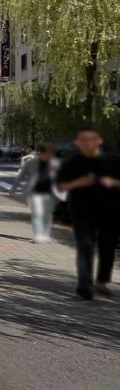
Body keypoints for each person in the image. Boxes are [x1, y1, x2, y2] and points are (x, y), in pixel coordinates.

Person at [54, 125, 119, 299]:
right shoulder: (71, 162)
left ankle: (102, 281)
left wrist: (113, 182)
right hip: (82, 211)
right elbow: (60, 186)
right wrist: (78, 183)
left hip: (110, 211)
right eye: (83, 140)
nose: (88, 143)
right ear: (77, 143)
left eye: (91, 139)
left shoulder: (113, 161)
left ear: (99, 140)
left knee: (107, 246)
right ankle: (85, 284)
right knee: (85, 245)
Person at [10, 144, 58, 243]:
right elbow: (21, 176)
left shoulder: (54, 163)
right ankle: (38, 235)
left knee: (47, 215)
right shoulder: (30, 163)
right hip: (34, 192)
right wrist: (14, 188)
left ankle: (46, 235)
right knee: (38, 213)